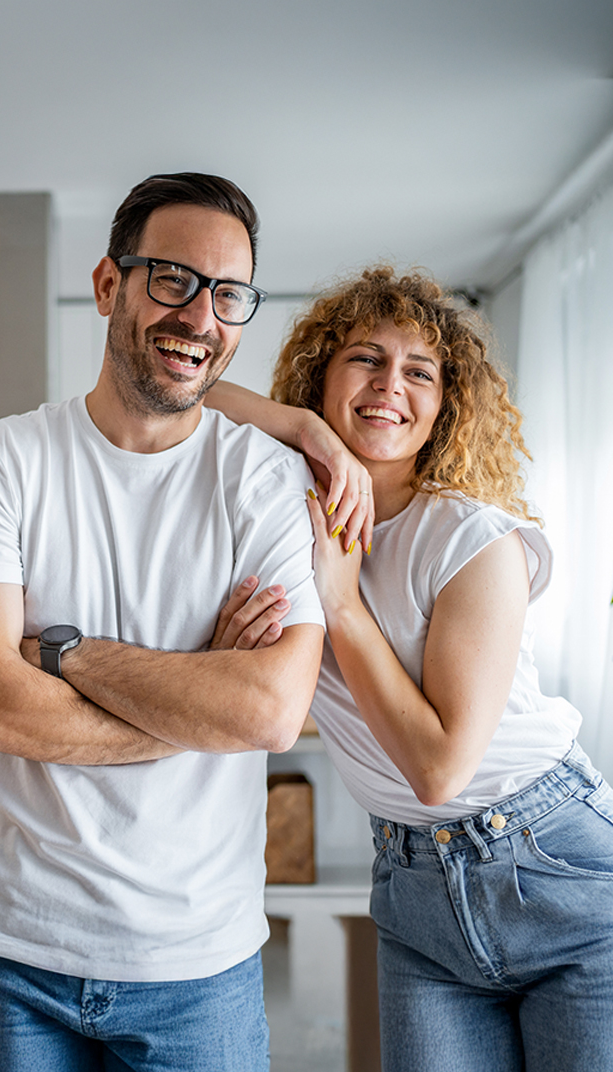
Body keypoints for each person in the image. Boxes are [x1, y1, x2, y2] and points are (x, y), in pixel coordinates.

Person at [0, 172, 339, 1072]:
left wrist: (63, 655)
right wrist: (194, 700)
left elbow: (265, 715)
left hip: (198, 961)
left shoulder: (265, 481)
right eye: (173, 280)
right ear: (110, 285)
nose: (200, 316)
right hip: (13, 948)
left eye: (229, 294)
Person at [207, 265, 613, 1072]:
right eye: (365, 358)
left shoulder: (473, 540)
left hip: (554, 867)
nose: (390, 386)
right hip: (414, 889)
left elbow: (439, 768)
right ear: (320, 378)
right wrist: (310, 436)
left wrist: (342, 604)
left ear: (445, 405)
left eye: (419, 372)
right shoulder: (286, 517)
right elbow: (192, 395)